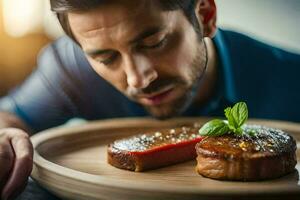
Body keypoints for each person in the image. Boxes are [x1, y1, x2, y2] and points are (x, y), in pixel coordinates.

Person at [0, 0, 299, 199]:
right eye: (106, 58)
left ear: (205, 16)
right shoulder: (70, 69)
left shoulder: (290, 77)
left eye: (154, 43)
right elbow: (10, 117)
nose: (137, 79)